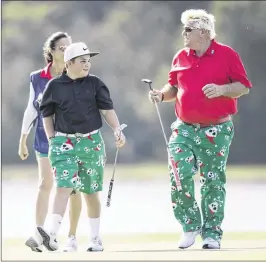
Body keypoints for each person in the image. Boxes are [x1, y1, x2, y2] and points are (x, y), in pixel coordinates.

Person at [148, 9, 252, 250]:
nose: (184, 33)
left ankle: (212, 233)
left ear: (203, 33)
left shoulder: (227, 54)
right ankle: (189, 225)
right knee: (178, 172)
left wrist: (222, 90)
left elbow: (243, 86)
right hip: (184, 128)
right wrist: (161, 95)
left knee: (212, 181)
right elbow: (174, 87)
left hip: (217, 129)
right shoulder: (180, 56)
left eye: (188, 30)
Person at [37, 42, 126, 252]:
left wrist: (117, 130)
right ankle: (52, 234)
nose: (87, 65)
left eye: (89, 61)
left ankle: (95, 238)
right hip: (63, 142)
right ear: (69, 63)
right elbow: (46, 114)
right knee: (64, 185)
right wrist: (52, 139)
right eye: (82, 61)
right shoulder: (55, 86)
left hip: (91, 141)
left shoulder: (95, 83)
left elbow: (107, 110)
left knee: (90, 192)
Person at [18, 32, 83, 252]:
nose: (66, 51)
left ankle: (72, 237)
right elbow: (30, 109)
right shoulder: (37, 77)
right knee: (45, 185)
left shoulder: (75, 74)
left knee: (71, 188)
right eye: (62, 48)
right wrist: (22, 139)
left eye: (69, 48)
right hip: (44, 138)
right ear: (52, 51)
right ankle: (39, 233)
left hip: (71, 138)